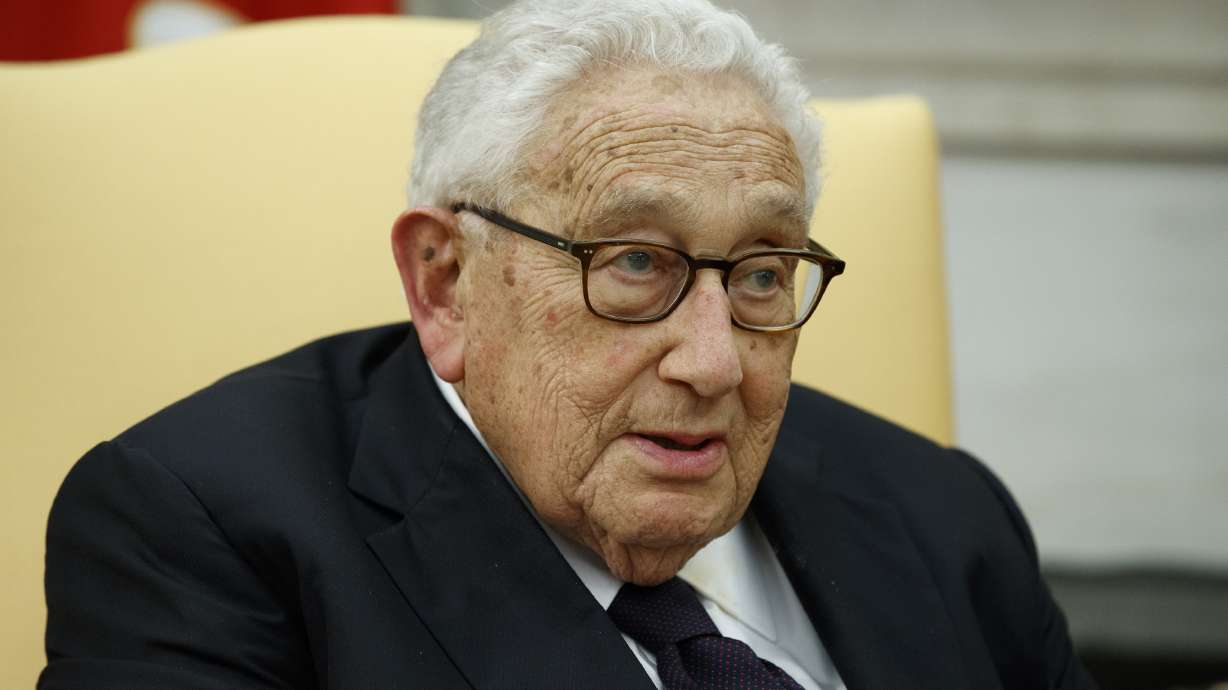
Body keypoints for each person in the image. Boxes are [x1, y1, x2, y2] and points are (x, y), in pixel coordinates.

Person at [40, 1, 1097, 688]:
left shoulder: (940, 513)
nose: (714, 362)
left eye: (761, 272)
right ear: (445, 282)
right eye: (634, 262)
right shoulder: (201, 529)